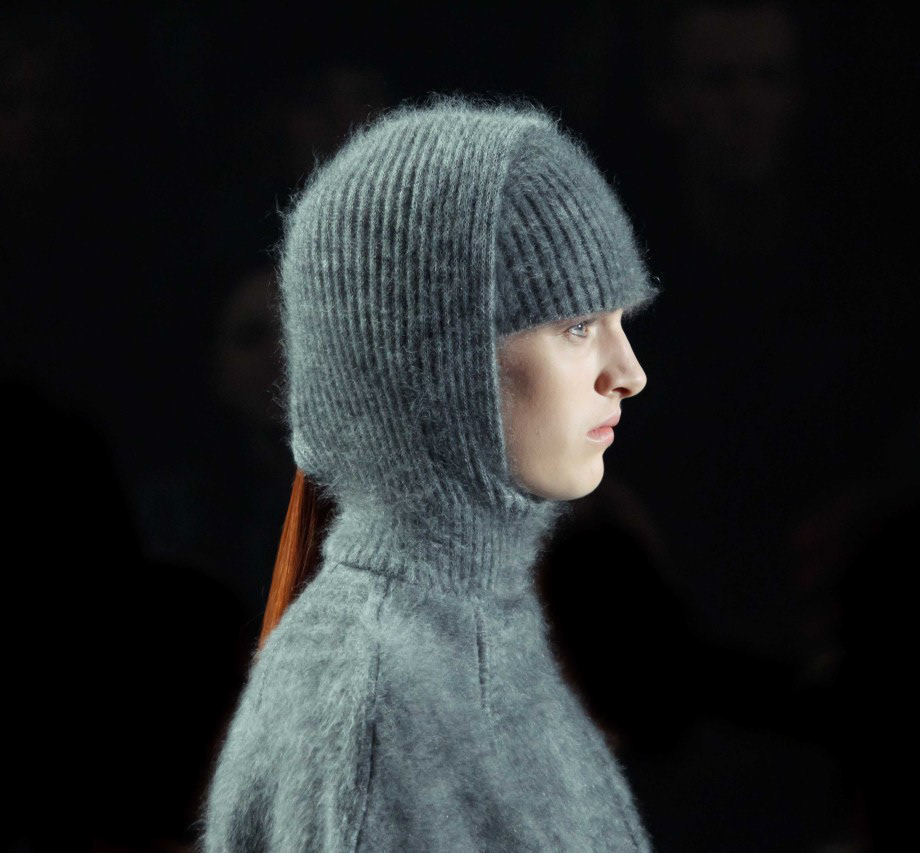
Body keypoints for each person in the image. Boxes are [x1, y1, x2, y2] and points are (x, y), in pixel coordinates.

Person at [200, 95, 661, 851]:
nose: (629, 372)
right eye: (578, 325)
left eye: (619, 322)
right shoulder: (381, 697)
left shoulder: (465, 629)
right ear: (432, 356)